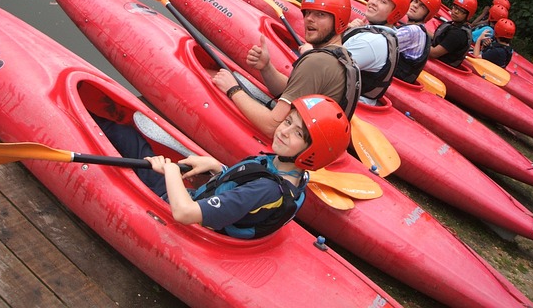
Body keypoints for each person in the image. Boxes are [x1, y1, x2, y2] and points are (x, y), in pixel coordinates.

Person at [94, 95, 350, 239]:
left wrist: (171, 172)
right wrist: (217, 167)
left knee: (130, 140)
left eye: (298, 134)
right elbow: (244, 193)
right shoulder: (293, 175)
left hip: (190, 222)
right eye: (288, 122)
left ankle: (94, 126)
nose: (284, 132)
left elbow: (184, 213)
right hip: (209, 207)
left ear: (311, 152)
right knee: (136, 146)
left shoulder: (266, 190)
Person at [212, 0, 361, 138]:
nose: (309, 19)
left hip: (297, 146)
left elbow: (271, 126)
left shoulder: (317, 63)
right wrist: (267, 68)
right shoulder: (345, 58)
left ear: (339, 21)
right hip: (315, 139)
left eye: (320, 14)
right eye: (308, 13)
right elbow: (293, 91)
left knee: (215, 77)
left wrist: (233, 90)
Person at [342, 0, 411, 104]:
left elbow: (328, 69)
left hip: (348, 103)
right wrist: (347, 29)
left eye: (383, 2)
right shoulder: (388, 34)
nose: (373, 2)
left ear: (395, 14)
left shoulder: (372, 41)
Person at [393, 0, 443, 83]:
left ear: (427, 15)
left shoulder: (413, 31)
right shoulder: (420, 30)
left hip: (394, 80)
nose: (415, 6)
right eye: (415, 1)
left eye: (422, 6)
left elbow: (379, 45)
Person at [429, 0, 478, 67]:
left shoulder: (458, 34)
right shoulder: (454, 25)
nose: (455, 11)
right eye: (455, 7)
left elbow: (434, 53)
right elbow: (438, 38)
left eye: (461, 11)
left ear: (468, 15)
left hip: (441, 66)